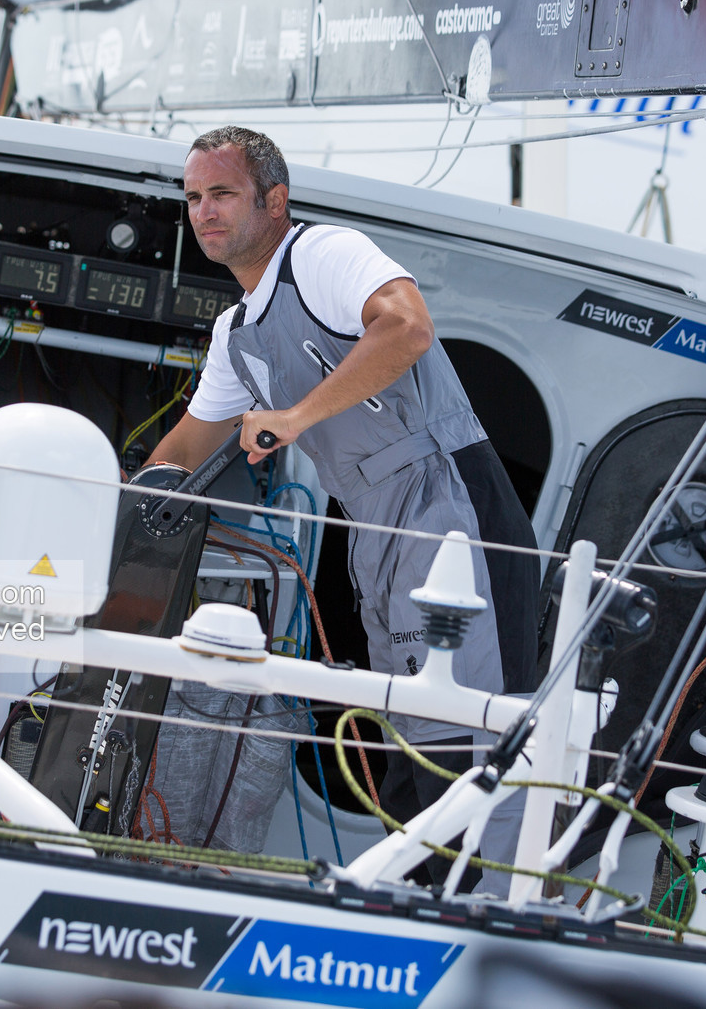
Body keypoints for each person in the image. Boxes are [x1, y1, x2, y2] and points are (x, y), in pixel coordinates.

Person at [147, 126, 540, 851]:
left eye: (223, 193)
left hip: (449, 509)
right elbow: (187, 446)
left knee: (467, 741)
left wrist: (294, 418)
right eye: (194, 197)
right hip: (375, 529)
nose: (204, 210)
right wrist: (111, 509)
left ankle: (487, 917)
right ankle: (406, 905)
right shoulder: (237, 331)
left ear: (274, 199)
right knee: (409, 742)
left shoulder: (321, 255)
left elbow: (407, 329)